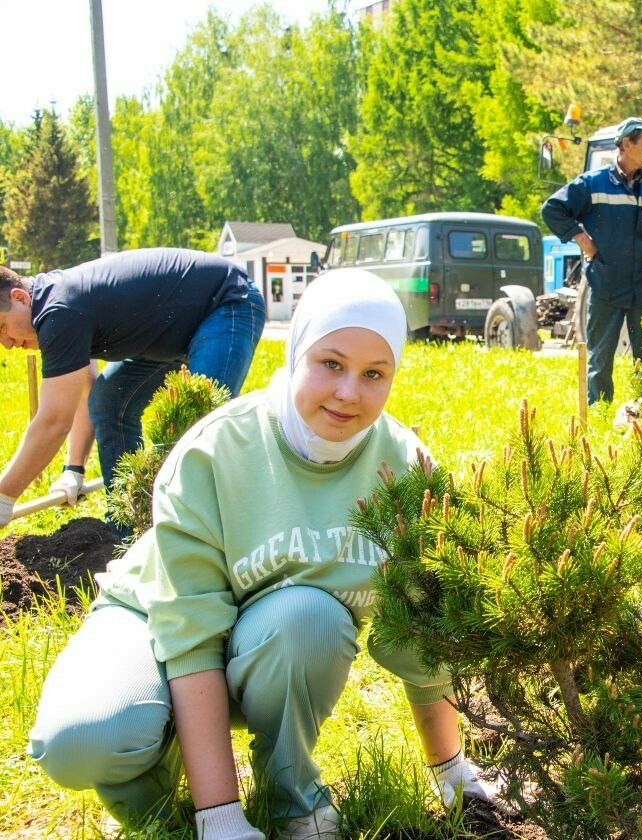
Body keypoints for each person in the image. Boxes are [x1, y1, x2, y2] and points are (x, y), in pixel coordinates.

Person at [27, 270, 500, 839]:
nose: (349, 391)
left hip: (272, 643)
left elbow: (422, 632)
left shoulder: (405, 469)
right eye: (331, 363)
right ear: (297, 350)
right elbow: (190, 634)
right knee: (80, 742)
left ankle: (292, 800)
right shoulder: (216, 451)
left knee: (308, 616)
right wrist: (221, 819)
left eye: (374, 374)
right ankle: (164, 786)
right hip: (156, 620)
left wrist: (452, 773)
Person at [0, 249, 266, 532]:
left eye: (2, 327)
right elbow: (82, 390)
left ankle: (204, 538)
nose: (7, 343)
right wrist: (73, 469)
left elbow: (53, 421)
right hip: (174, 329)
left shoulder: (58, 311)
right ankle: (130, 531)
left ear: (19, 297)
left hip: (225, 302)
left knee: (195, 425)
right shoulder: (57, 308)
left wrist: (4, 497)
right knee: (109, 401)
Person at [541, 116, 642, 405]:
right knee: (601, 357)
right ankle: (600, 414)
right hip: (606, 283)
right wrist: (583, 240)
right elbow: (553, 209)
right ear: (626, 143)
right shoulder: (592, 184)